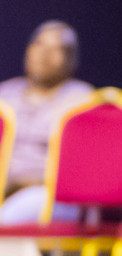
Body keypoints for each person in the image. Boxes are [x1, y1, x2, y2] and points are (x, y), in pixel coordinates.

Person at [0, 21, 92, 224]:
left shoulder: (82, 102)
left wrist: (18, 183)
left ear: (71, 60)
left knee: (10, 217)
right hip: (3, 189)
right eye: (39, 45)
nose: (44, 55)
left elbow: (81, 173)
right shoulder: (5, 95)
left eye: (56, 49)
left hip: (50, 195)